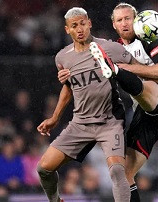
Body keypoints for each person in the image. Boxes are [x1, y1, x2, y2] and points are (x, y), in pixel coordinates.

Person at [58, 3, 158, 202]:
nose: (124, 23)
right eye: (120, 20)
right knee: (124, 176)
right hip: (144, 117)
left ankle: (117, 72)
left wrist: (124, 69)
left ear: (136, 21)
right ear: (114, 25)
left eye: (128, 18)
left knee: (146, 86)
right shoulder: (115, 48)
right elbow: (82, 67)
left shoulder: (146, 39)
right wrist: (66, 75)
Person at [36, 7, 134, 202]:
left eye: (82, 23)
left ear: (89, 23)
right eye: (74, 26)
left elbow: (139, 67)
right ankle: (55, 201)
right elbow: (68, 88)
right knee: (44, 168)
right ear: (67, 30)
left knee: (116, 170)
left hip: (110, 121)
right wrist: (55, 118)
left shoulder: (110, 48)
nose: (79, 29)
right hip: (80, 123)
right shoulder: (62, 58)